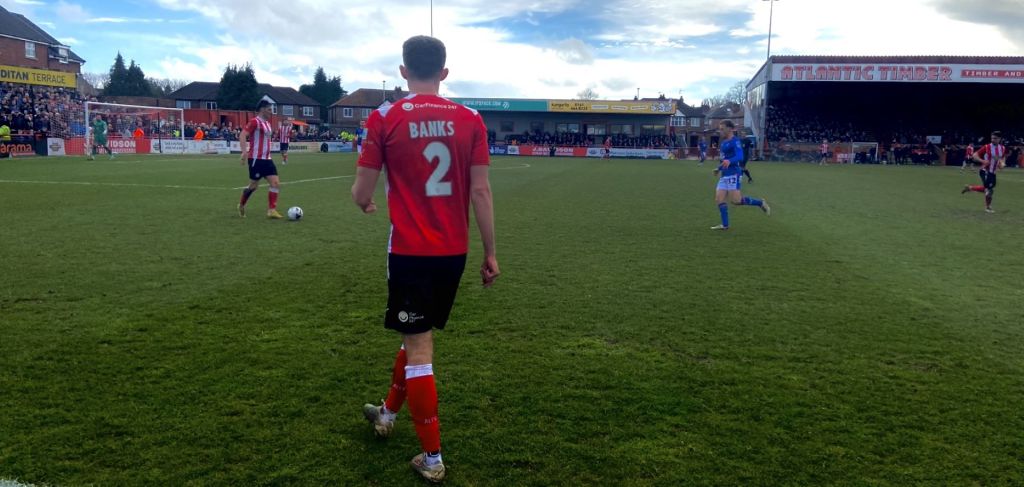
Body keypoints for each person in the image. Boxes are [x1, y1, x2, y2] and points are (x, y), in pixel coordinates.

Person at [353, 35, 499, 483]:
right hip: (454, 251)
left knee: (418, 346)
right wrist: (491, 252)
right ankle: (388, 412)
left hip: (411, 250)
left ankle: (432, 457)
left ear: (402, 71)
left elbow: (361, 191)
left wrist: (366, 203)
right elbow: (480, 191)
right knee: (415, 333)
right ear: (445, 72)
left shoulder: (385, 116)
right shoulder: (471, 119)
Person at [711, 120, 771, 230]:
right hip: (724, 175)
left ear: (729, 129)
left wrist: (730, 161)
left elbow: (740, 156)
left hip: (734, 174)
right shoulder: (724, 143)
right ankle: (725, 225)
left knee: (736, 201)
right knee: (719, 199)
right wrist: (718, 168)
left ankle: (760, 203)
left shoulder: (735, 141)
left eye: (722, 129)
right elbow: (724, 160)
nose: (720, 131)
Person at [237, 101, 284, 219]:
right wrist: (244, 152)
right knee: (253, 186)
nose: (271, 112)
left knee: (275, 183)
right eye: (269, 109)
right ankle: (241, 204)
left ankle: (271, 210)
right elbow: (243, 135)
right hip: (256, 159)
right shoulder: (254, 122)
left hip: (267, 159)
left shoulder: (267, 124)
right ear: (262, 109)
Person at [962, 131, 1006, 213]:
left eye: (995, 138)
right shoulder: (987, 147)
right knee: (989, 190)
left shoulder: (1002, 148)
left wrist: (1002, 163)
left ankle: (970, 188)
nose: (993, 140)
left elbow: (1002, 158)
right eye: (992, 138)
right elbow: (975, 155)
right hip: (985, 170)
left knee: (988, 189)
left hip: (993, 172)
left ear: (1000, 139)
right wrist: (982, 161)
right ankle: (988, 207)